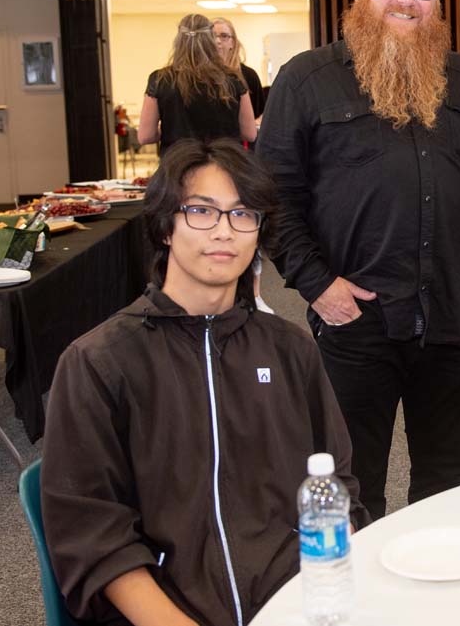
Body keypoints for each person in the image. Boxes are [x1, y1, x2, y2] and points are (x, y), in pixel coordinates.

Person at [41, 138, 368, 626]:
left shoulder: (291, 351)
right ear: (166, 227)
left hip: (297, 606)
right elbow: (94, 538)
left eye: (242, 215)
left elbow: (338, 491)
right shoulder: (98, 363)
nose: (224, 232)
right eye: (201, 211)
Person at [256, 0, 460, 521]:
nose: (408, 0)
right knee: (353, 487)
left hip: (454, 321)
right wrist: (317, 285)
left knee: (447, 484)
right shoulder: (306, 81)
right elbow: (272, 199)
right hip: (357, 323)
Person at [211, 16, 274, 312]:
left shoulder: (246, 76)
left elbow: (260, 119)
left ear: (234, 41)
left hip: (243, 163)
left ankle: (255, 293)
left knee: (248, 227)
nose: (219, 41)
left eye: (225, 36)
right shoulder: (197, 77)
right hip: (209, 167)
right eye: (214, 35)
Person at [138, 13, 258, 153]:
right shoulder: (233, 78)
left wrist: (169, 130)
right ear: (211, 41)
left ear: (178, 42)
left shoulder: (160, 79)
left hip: (177, 165)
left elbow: (145, 136)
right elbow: (250, 134)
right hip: (224, 164)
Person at [212, 16, 269, 120]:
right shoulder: (201, 76)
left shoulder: (248, 75)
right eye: (212, 36)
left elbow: (261, 114)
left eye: (224, 36)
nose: (218, 41)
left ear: (232, 42)